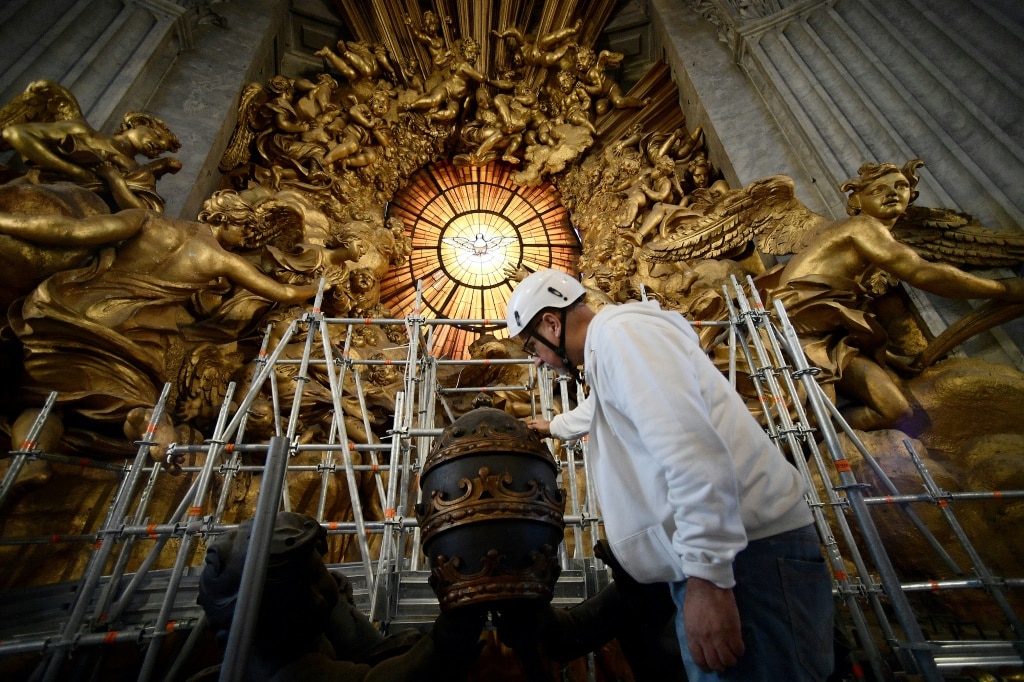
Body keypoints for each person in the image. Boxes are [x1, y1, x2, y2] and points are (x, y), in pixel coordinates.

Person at [504, 268, 833, 681]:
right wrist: (552, 426)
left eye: (534, 345)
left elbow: (690, 451)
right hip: (729, 559)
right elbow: (602, 408)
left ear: (553, 321)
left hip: (743, 562)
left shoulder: (623, 338)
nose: (537, 359)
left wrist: (709, 578)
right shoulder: (614, 349)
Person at [767, 159, 1024, 430]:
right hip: (798, 333)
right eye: (878, 189)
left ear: (910, 196)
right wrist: (1003, 288)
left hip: (821, 338)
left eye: (900, 186)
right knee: (895, 410)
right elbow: (922, 273)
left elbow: (844, 318)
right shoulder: (860, 228)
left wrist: (893, 358)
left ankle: (814, 430)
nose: (892, 193)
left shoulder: (865, 247)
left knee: (896, 408)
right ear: (856, 201)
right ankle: (802, 433)